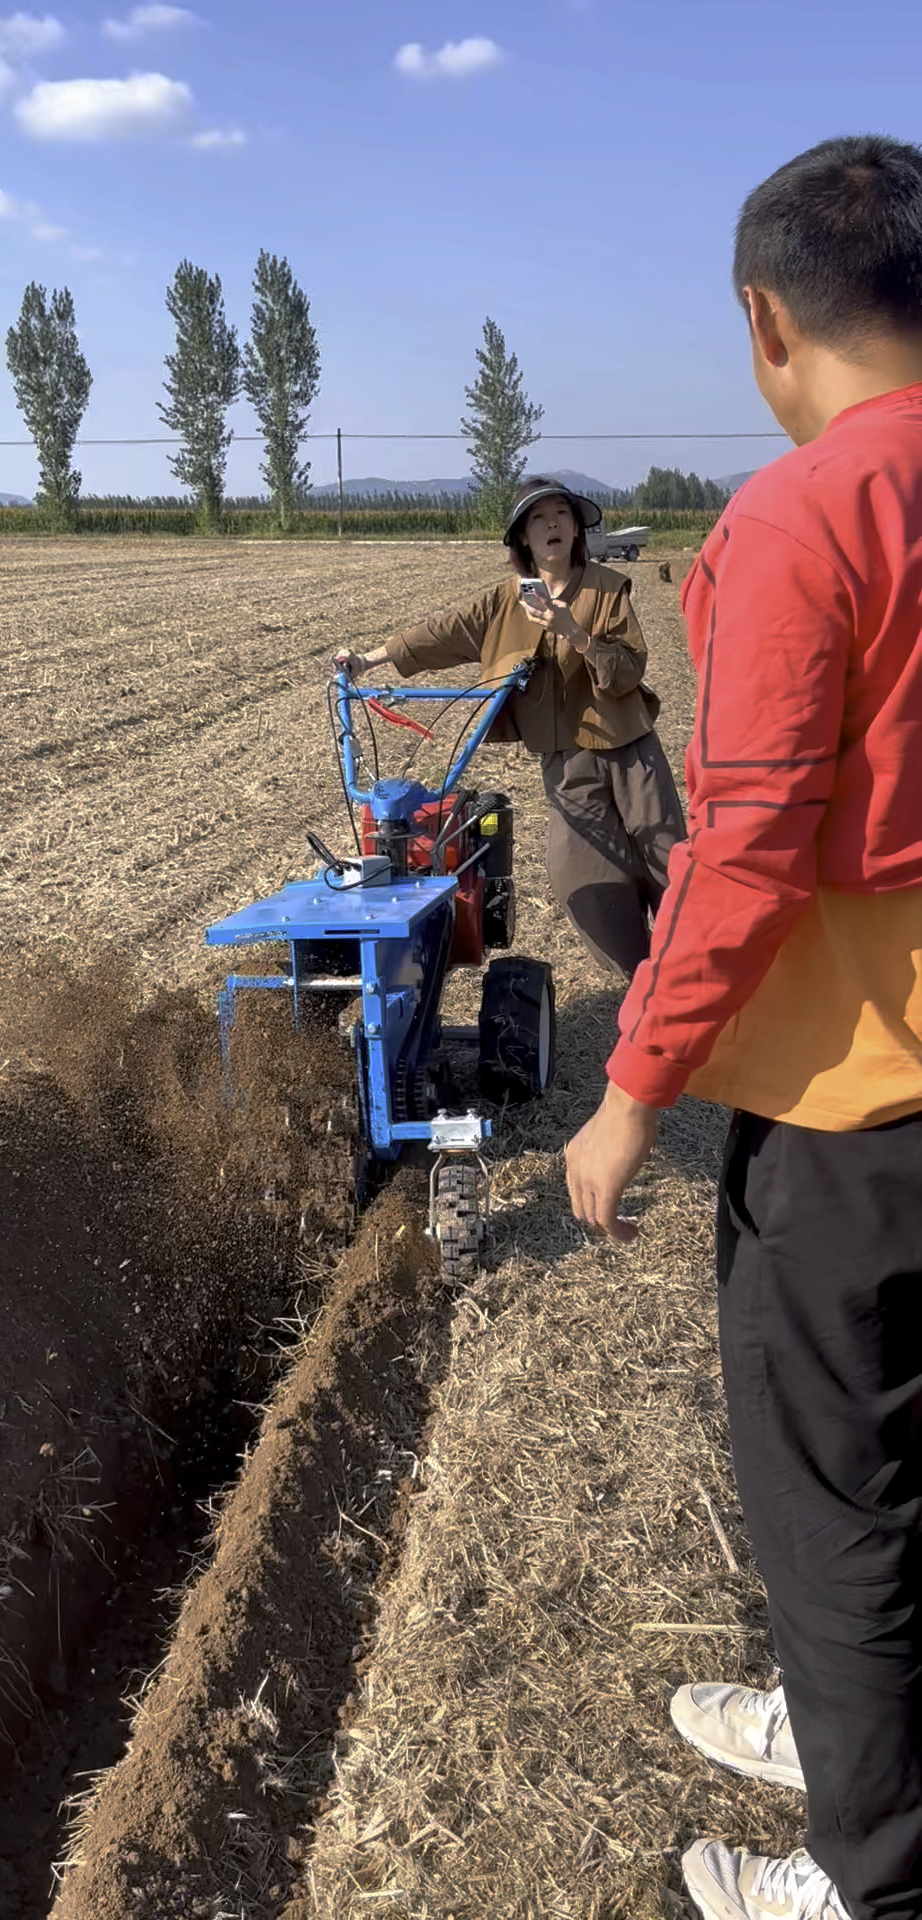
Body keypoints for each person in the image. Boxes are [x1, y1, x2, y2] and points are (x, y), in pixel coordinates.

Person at [564, 134, 922, 1920]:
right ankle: (854, 1727)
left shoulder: (808, 510)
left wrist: (630, 1094)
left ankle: (870, 1874)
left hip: (858, 1113)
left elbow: (756, 841)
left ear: (766, 321)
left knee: (836, 1502)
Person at [334, 479, 685, 981]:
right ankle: (649, 978)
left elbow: (628, 672)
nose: (552, 525)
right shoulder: (504, 603)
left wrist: (576, 633)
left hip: (630, 751)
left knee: (667, 863)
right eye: (538, 518)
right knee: (579, 879)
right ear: (522, 537)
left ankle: (698, 971)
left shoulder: (607, 589)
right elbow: (441, 633)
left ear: (577, 527)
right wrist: (368, 660)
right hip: (565, 764)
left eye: (561, 514)